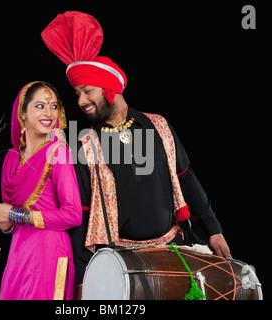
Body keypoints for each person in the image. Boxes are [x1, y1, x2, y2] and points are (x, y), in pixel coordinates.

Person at [42, 11, 231, 297]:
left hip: (172, 252)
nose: (81, 101)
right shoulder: (84, 144)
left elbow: (186, 179)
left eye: (86, 91)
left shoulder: (158, 125)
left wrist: (214, 229)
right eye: (77, 94)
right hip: (118, 265)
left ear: (109, 88)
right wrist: (82, 279)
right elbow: (81, 214)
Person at [0, 81, 82, 300]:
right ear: (22, 113)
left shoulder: (58, 152)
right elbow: (10, 219)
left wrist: (13, 214)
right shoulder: (10, 158)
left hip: (49, 253)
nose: (49, 113)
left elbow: (73, 215)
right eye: (40, 106)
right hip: (19, 254)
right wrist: (6, 225)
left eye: (54, 106)